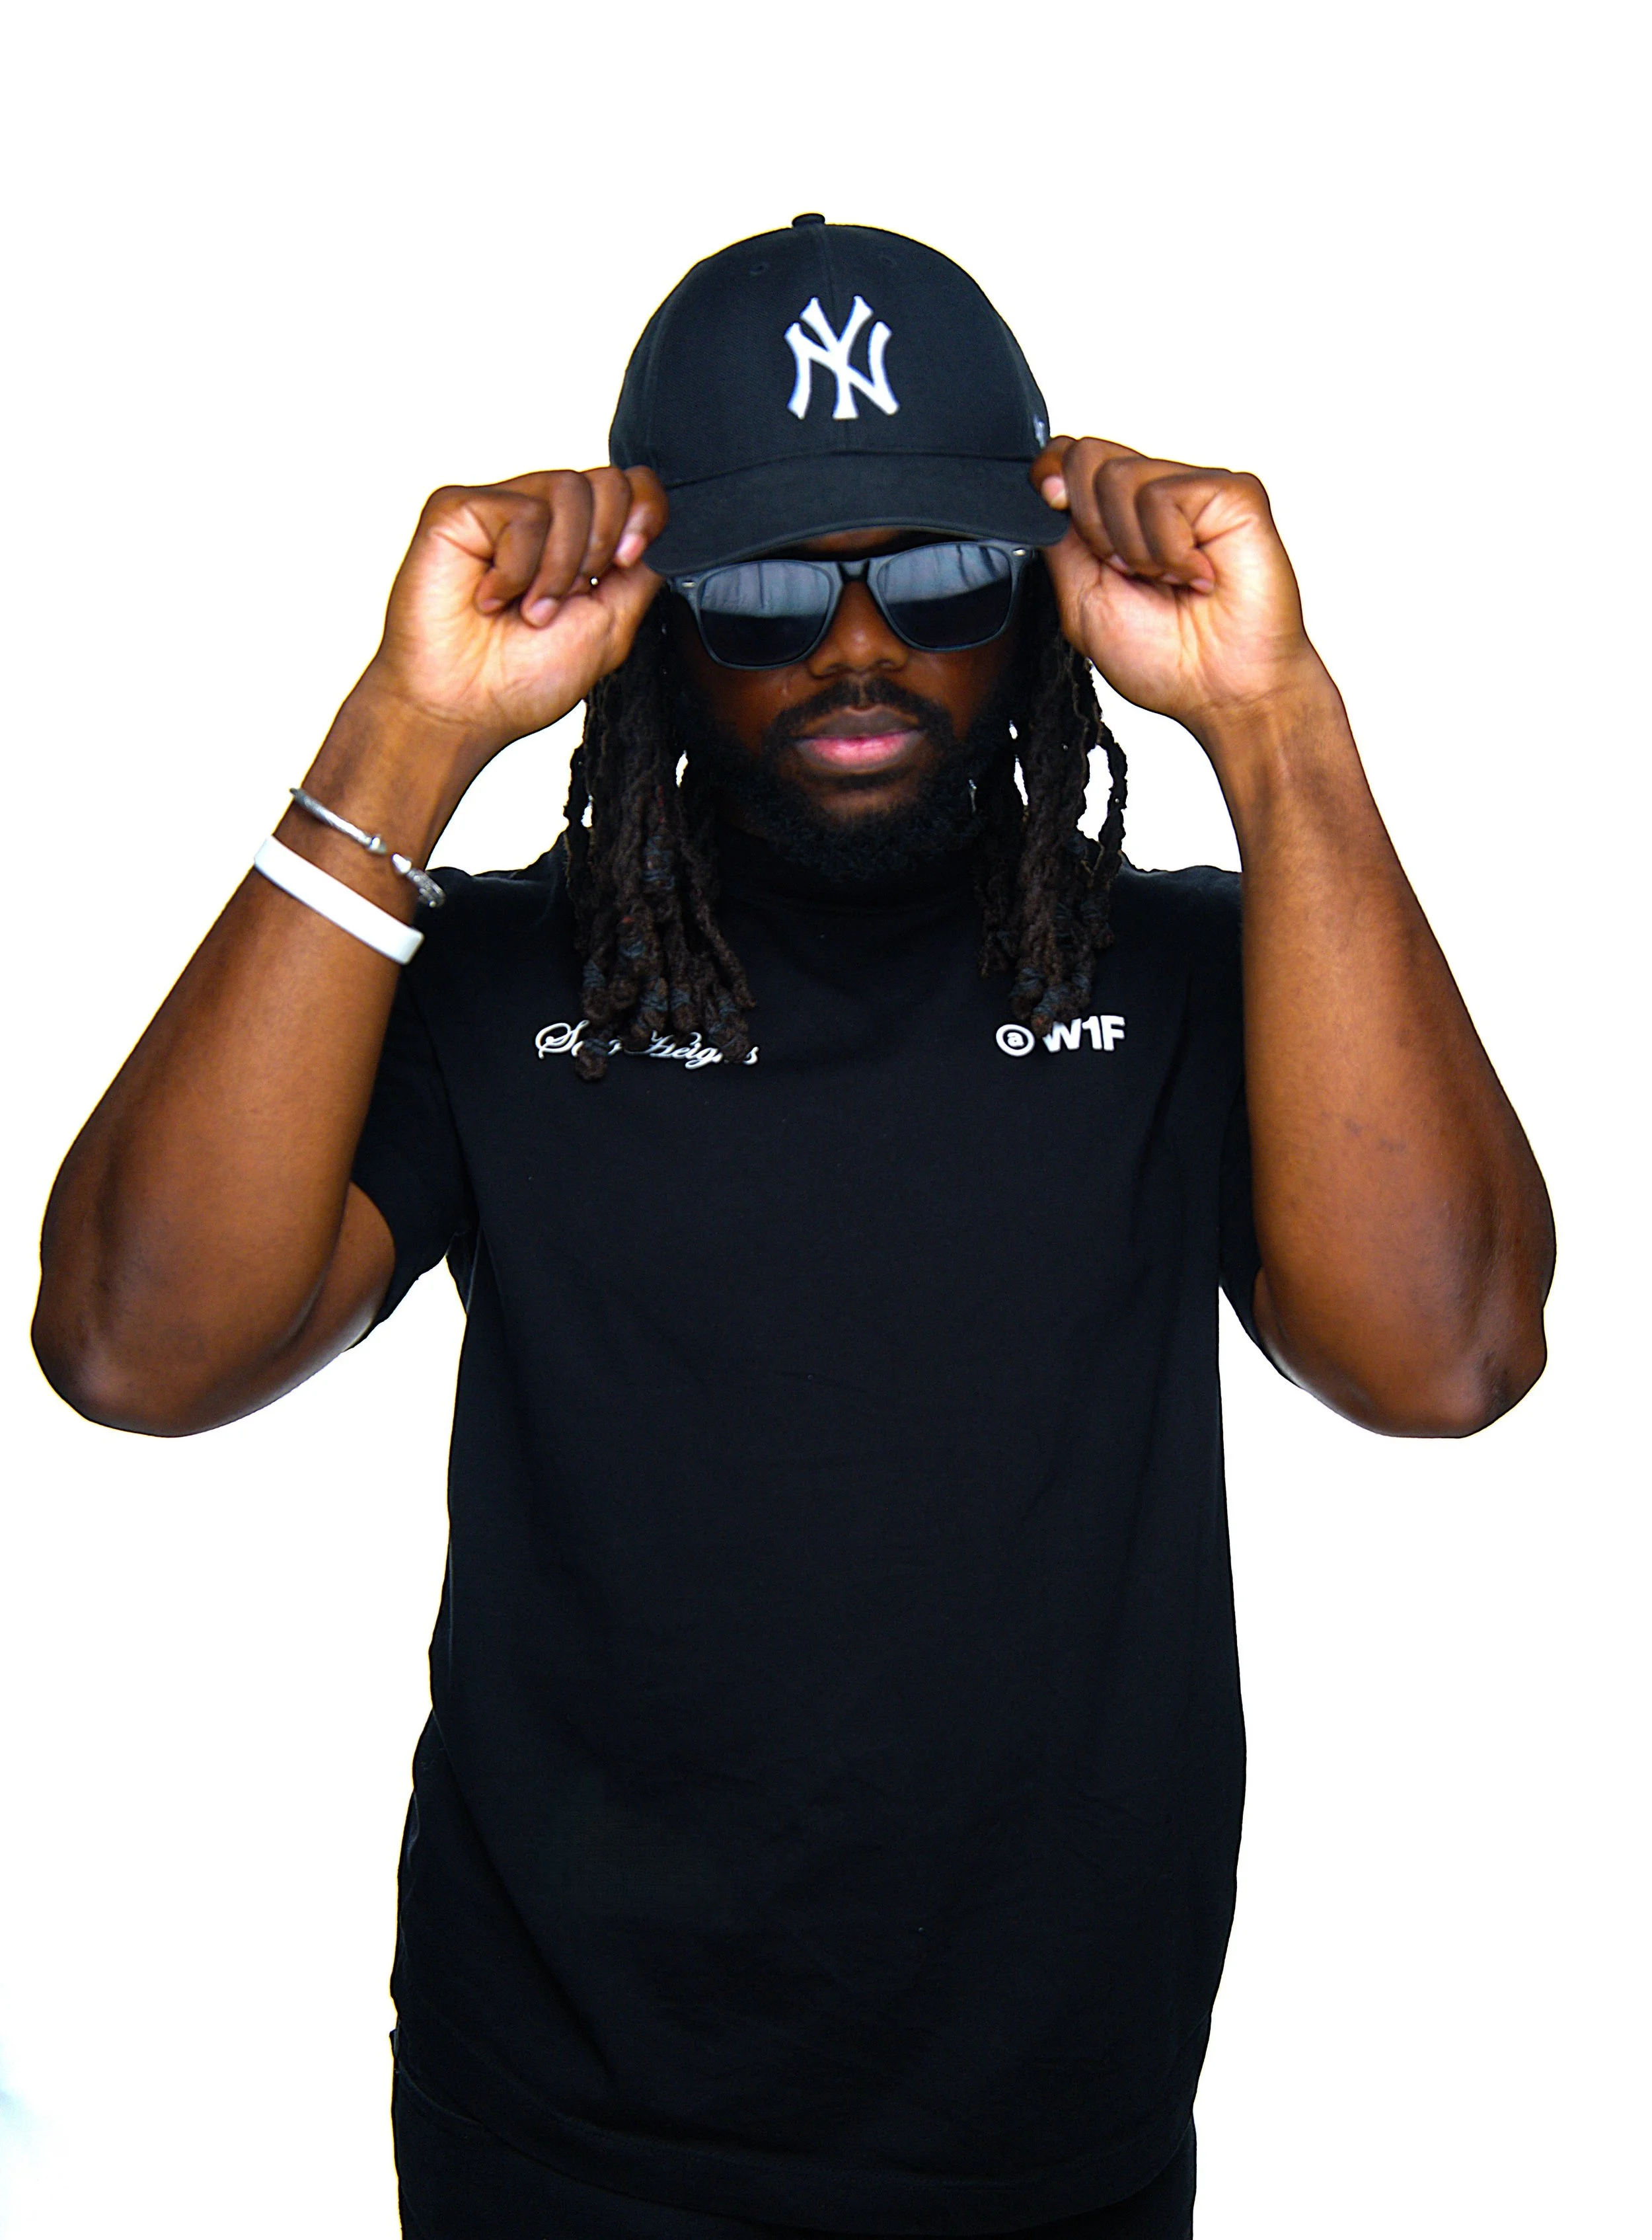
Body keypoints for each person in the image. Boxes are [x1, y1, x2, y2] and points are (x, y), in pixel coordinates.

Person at [31, 217, 1554, 2239]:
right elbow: (136, 1344)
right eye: (759, 590)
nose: (855, 645)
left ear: (1032, 604)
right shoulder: (486, 980)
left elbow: (1444, 1356)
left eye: (933, 575)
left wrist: (1279, 731)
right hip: (558, 2147)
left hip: (1051, 2150)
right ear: (652, 616)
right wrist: (402, 729)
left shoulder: (1200, 973)